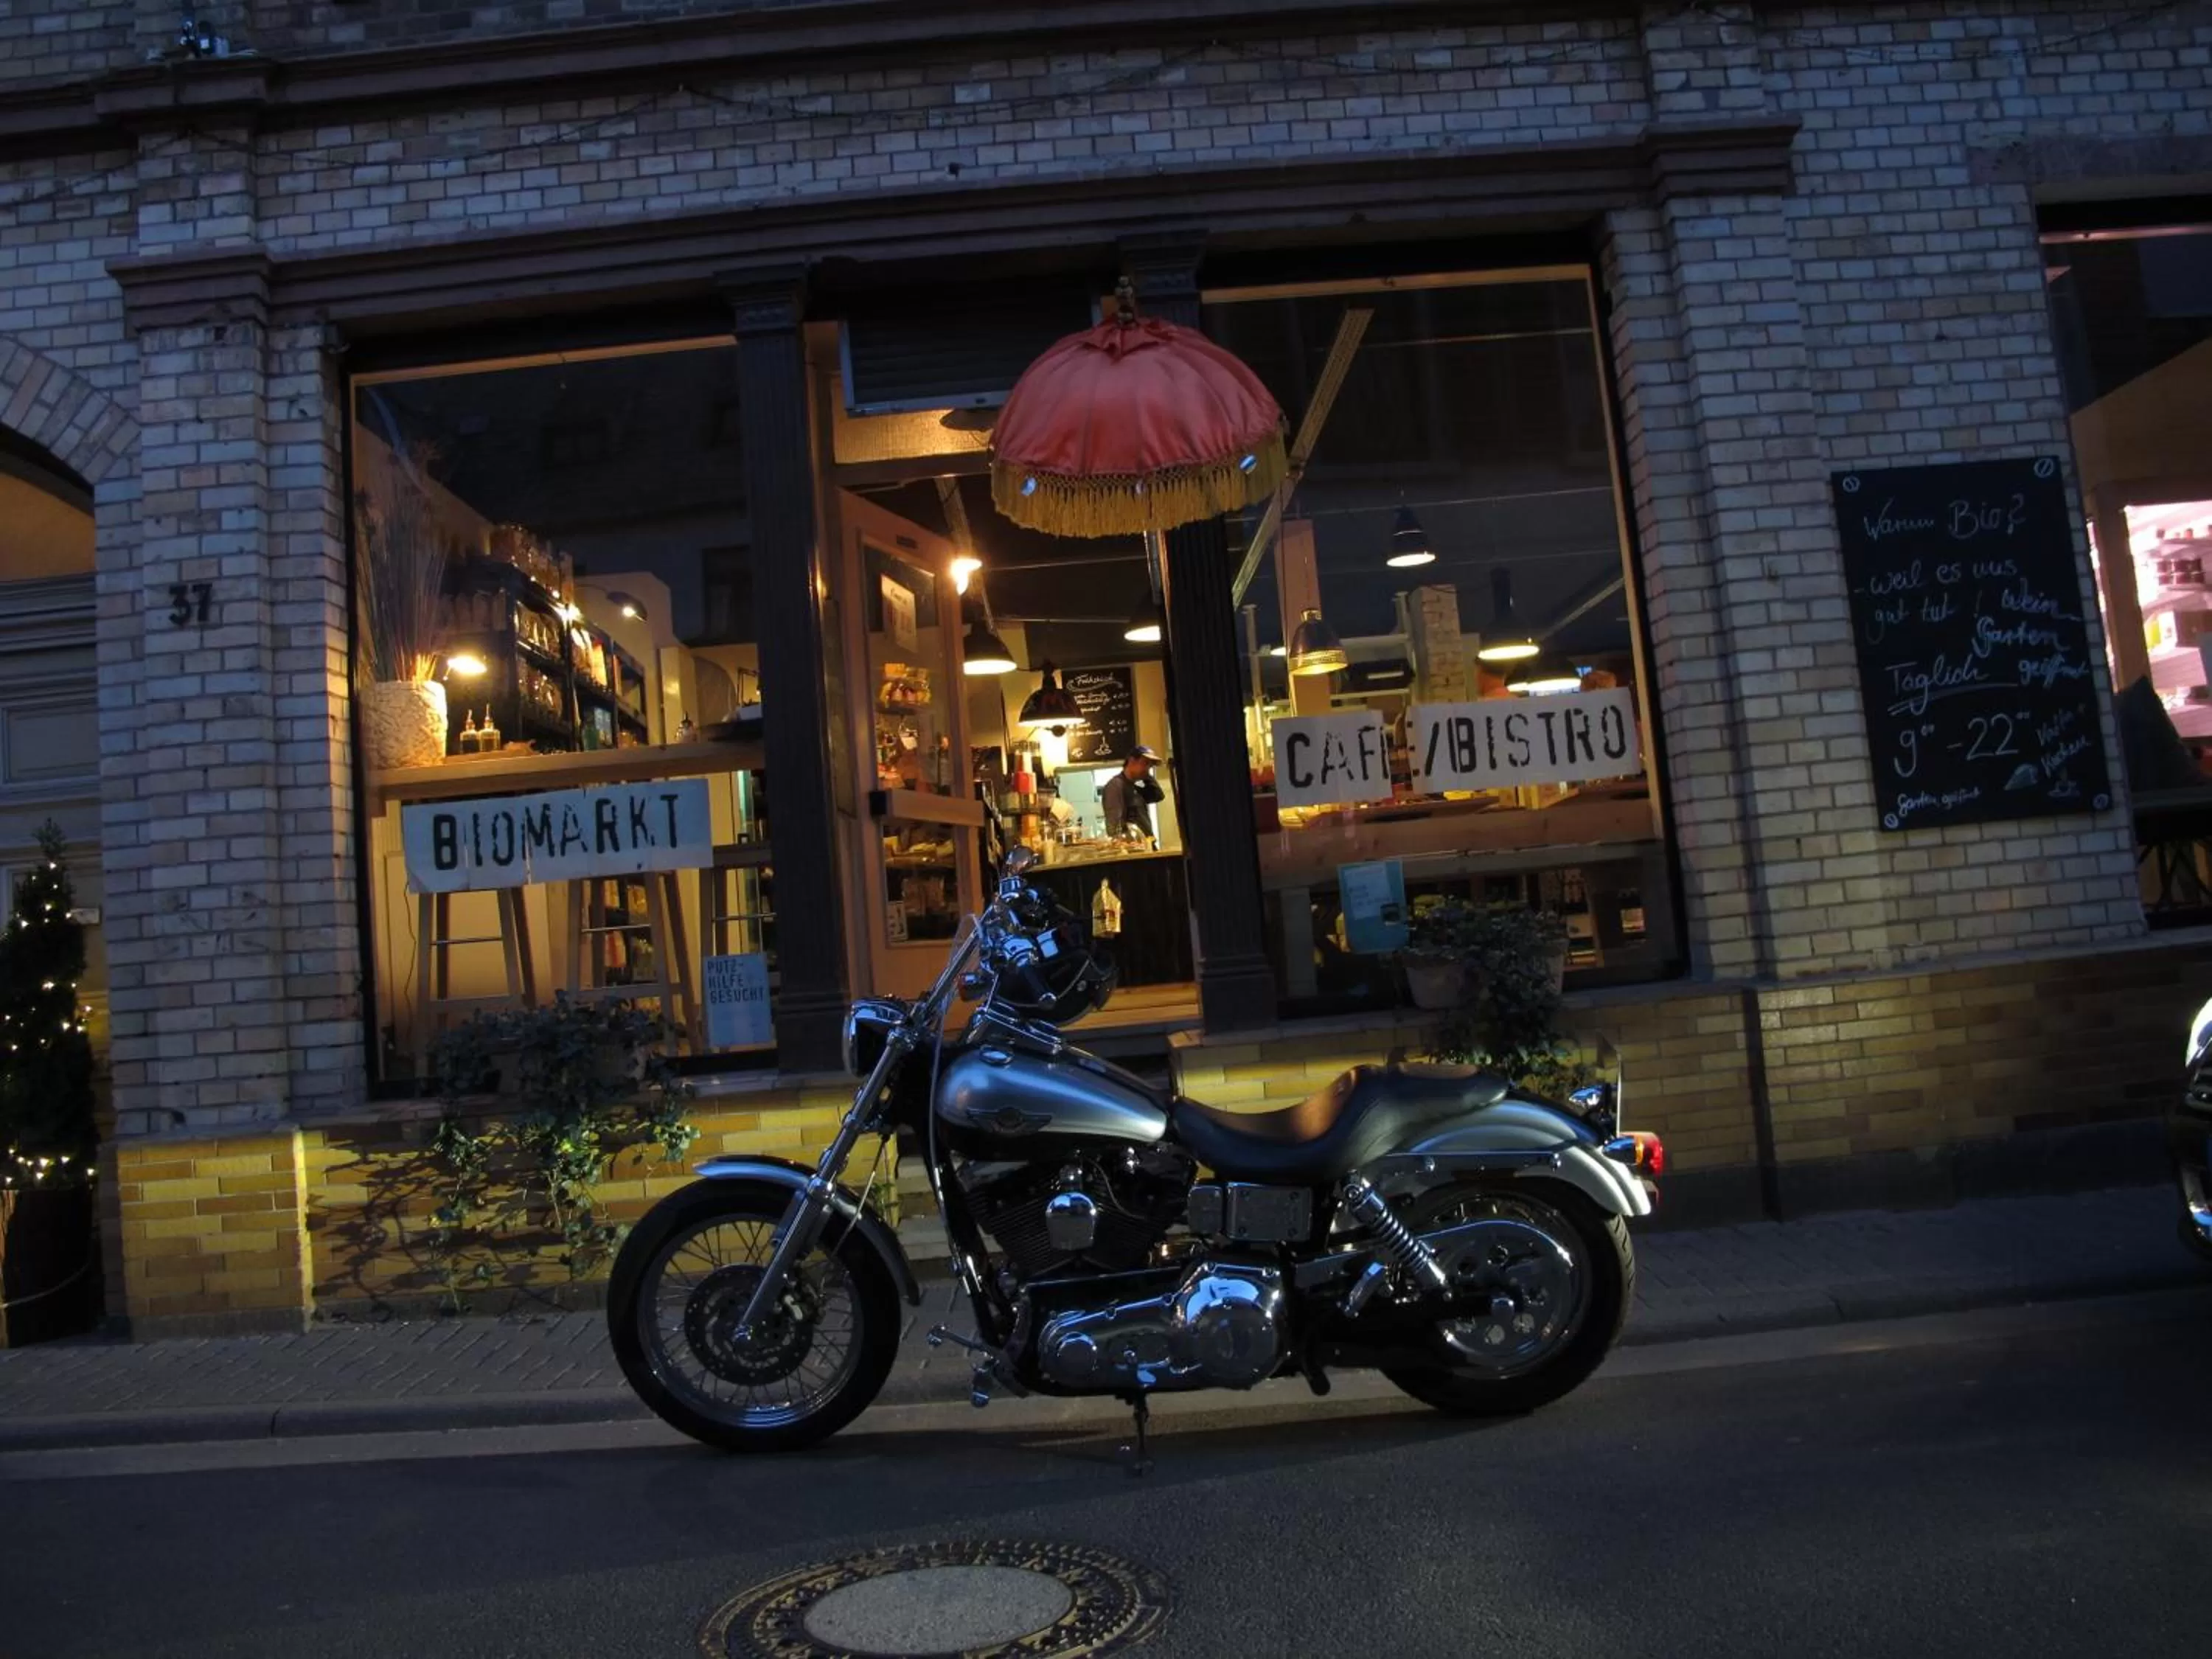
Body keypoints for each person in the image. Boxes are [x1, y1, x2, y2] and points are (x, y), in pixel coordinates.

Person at [1101, 744, 1166, 845]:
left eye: (1150, 765)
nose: (1148, 768)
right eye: (1145, 763)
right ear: (1131, 761)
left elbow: (1158, 796)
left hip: (1146, 847)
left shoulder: (1135, 786)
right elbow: (1114, 824)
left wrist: (1146, 775)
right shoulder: (1116, 786)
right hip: (1134, 850)